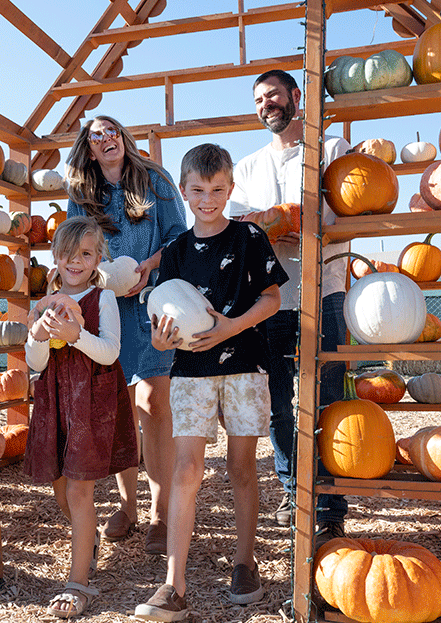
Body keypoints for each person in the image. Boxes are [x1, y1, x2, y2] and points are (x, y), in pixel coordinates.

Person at [134, 144, 287, 621]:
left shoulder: (249, 237)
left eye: (217, 190)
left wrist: (230, 327)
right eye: (198, 191)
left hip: (244, 364)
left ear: (230, 189)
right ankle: (173, 585)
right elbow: (164, 325)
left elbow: (272, 299)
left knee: (241, 467)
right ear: (183, 191)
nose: (207, 199)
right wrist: (161, 345)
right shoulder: (175, 253)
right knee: (186, 470)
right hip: (191, 372)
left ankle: (245, 562)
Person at [228, 69, 350, 539]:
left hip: (325, 292)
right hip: (272, 299)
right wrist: (267, 226)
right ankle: (292, 485)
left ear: (296, 96)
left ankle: (330, 501)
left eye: (274, 95)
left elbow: (346, 209)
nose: (267, 105)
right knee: (277, 402)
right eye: (259, 100)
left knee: (328, 400)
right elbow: (238, 227)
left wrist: (305, 222)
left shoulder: (332, 150)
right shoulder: (247, 167)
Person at [66, 115, 188, 554]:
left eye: (112, 130)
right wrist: (97, 276)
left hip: (152, 304)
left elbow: (180, 238)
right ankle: (128, 506)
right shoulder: (82, 193)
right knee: (118, 409)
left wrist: (148, 268)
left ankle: (160, 513)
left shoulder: (155, 179)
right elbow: (72, 244)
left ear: (123, 136)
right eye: (96, 136)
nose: (106, 139)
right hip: (106, 310)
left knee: (154, 403)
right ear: (90, 147)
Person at [23, 216, 138, 619]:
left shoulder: (101, 298)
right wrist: (38, 336)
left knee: (78, 491)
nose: (76, 262)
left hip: (90, 402)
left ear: (97, 258)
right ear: (55, 257)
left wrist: (76, 335)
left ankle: (78, 581)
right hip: (56, 400)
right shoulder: (45, 304)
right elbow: (35, 363)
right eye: (69, 255)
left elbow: (110, 352)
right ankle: (85, 541)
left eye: (86, 254)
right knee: (59, 485)